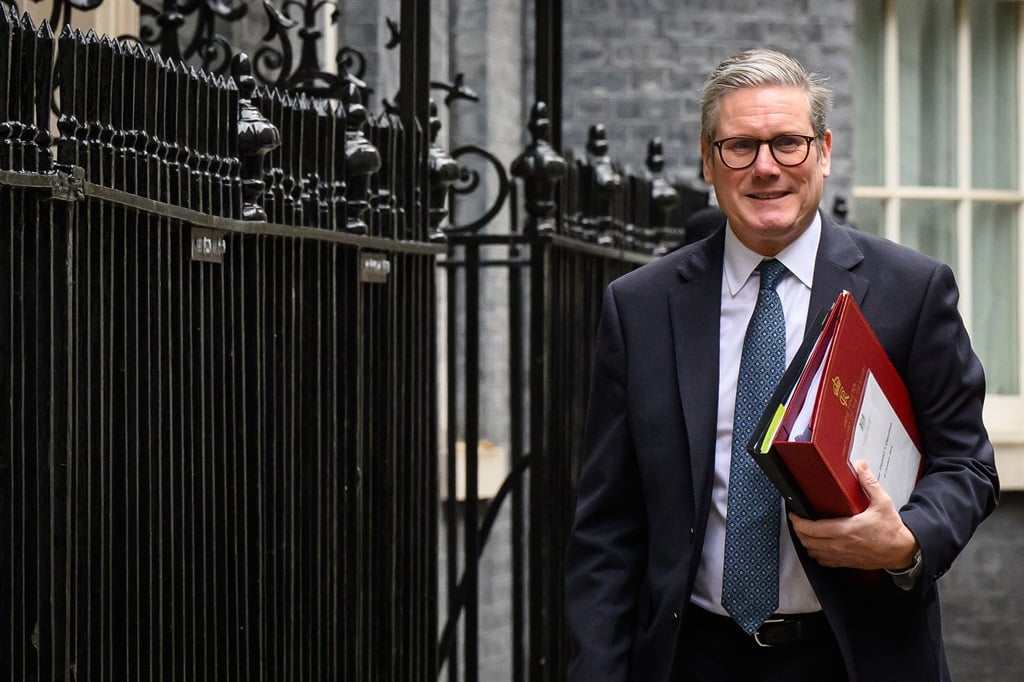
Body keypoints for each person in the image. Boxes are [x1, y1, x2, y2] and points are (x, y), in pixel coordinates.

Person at [564, 48, 999, 682]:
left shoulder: (911, 290)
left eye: (788, 143)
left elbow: (967, 464)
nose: (766, 168)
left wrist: (906, 540)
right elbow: (608, 525)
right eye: (740, 146)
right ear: (709, 159)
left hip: (855, 657)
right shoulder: (640, 306)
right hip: (691, 658)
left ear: (823, 151)